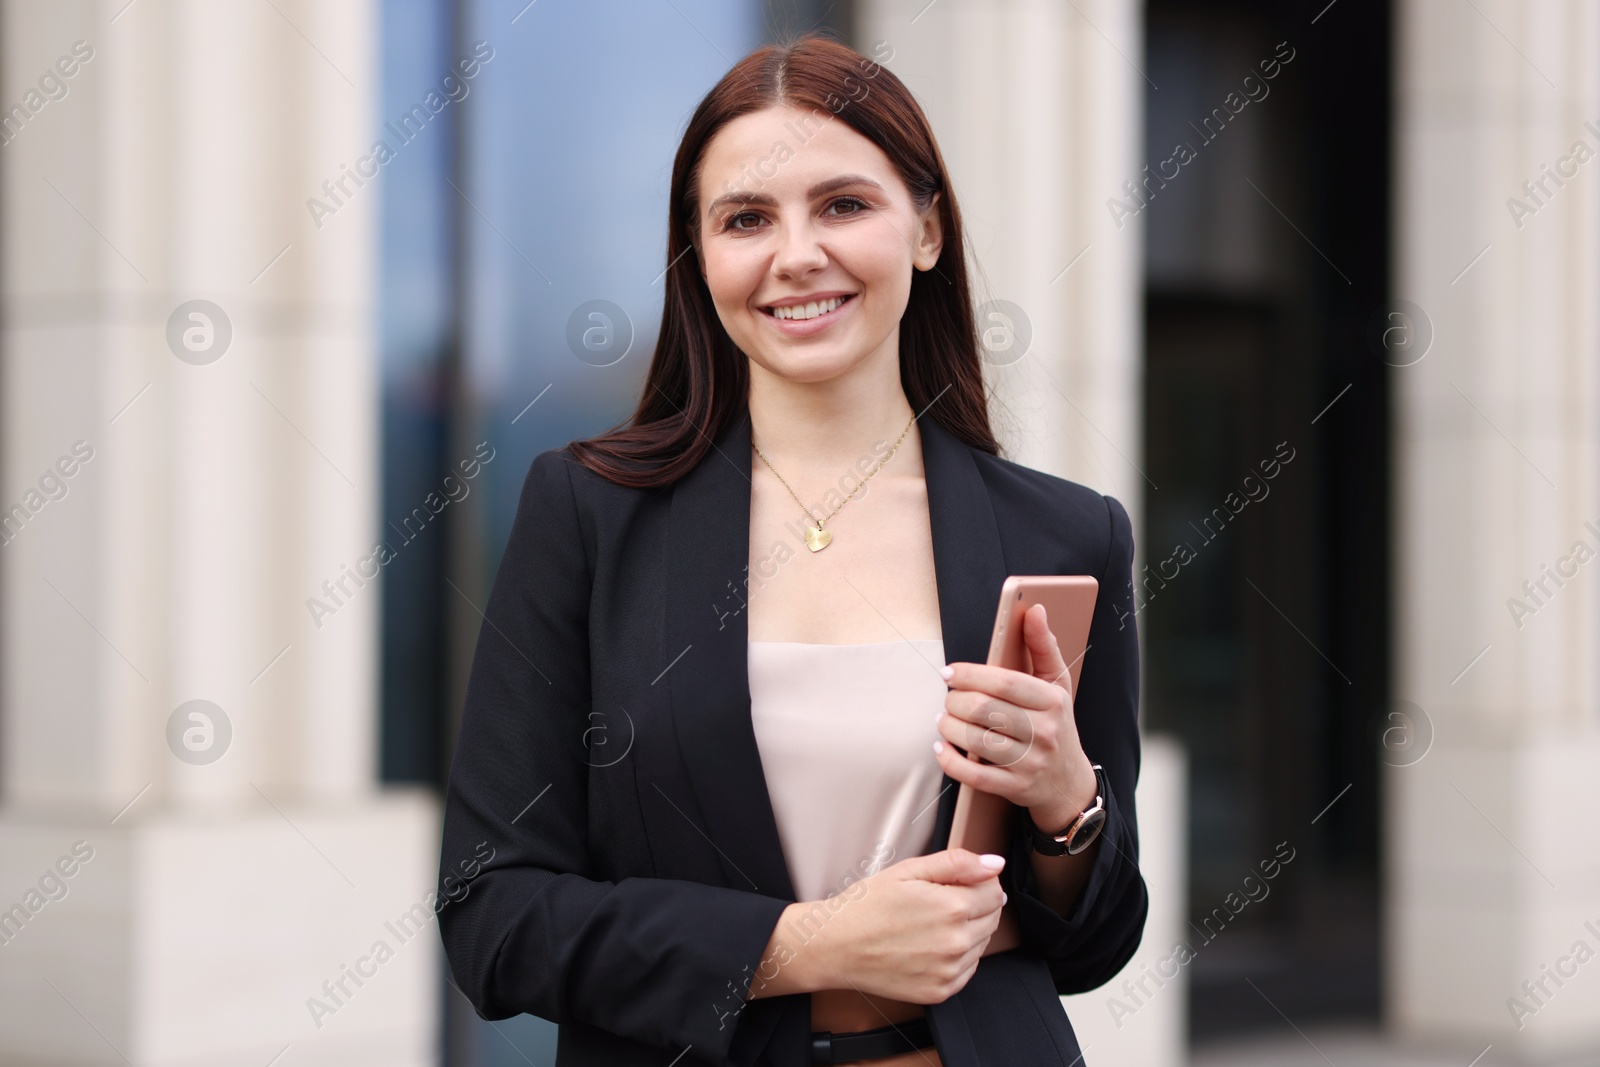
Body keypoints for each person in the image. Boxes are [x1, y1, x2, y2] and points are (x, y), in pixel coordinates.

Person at [438, 32, 1147, 1067]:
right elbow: (491, 916)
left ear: (927, 229)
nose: (796, 254)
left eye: (843, 204)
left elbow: (1096, 942)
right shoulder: (588, 513)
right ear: (699, 253)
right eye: (746, 218)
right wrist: (801, 943)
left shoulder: (1066, 534)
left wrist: (1065, 801)